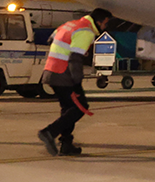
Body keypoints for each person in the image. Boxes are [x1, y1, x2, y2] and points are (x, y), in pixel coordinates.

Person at [37, 8, 112, 156]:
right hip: (63, 74)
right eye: (105, 24)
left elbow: (51, 39)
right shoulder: (86, 32)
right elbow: (75, 59)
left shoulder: (70, 24)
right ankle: (49, 132)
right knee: (80, 107)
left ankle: (66, 145)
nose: (105, 27)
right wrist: (77, 83)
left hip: (51, 70)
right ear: (98, 22)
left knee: (68, 109)